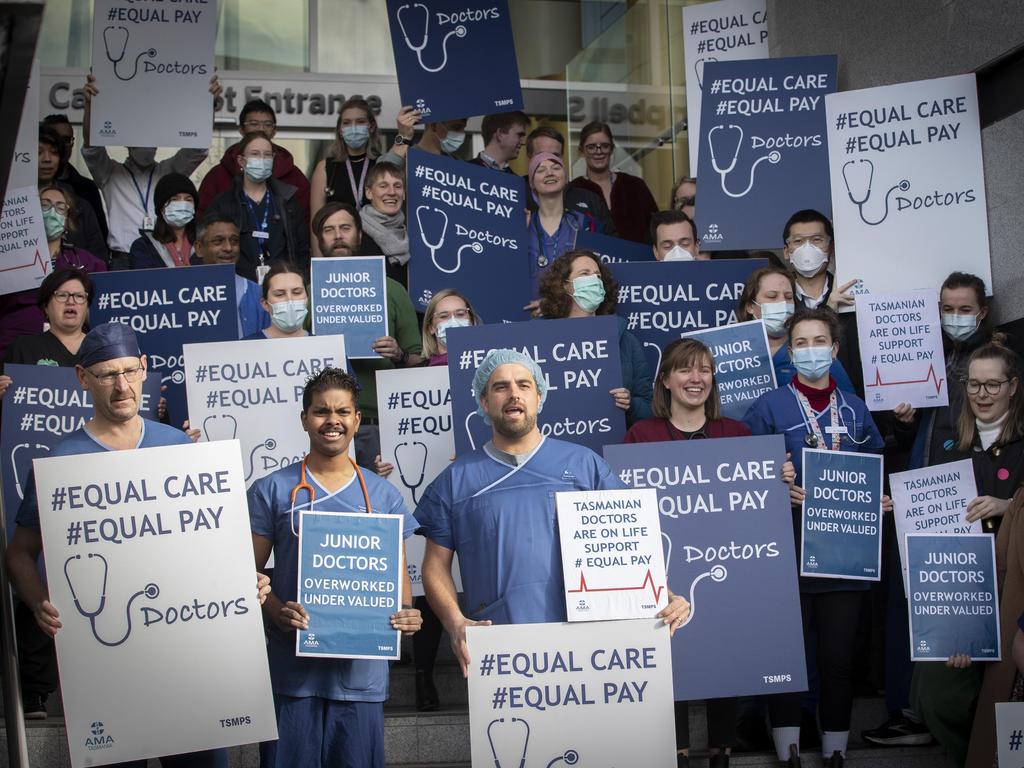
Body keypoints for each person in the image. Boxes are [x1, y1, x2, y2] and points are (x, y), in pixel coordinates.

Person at [5, 323, 267, 762]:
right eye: (107, 374)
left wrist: (245, 578)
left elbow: (209, 545)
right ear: (82, 378)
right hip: (109, 671)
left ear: (145, 369)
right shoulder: (61, 463)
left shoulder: (178, 445)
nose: (122, 385)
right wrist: (38, 604)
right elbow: (18, 555)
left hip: (189, 661)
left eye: (129, 371)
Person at [416, 349, 690, 676]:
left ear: (540, 396)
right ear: (484, 402)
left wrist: (666, 594)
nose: (513, 393)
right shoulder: (457, 479)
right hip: (500, 644)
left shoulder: (584, 466)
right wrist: (454, 620)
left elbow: (629, 546)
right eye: (500, 387)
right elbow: (434, 565)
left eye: (524, 384)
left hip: (591, 643)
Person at [625, 338, 796, 768]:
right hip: (662, 565)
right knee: (670, 649)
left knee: (724, 639)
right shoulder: (640, 436)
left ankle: (722, 750)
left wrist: (777, 476)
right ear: (665, 380)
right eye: (684, 370)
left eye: (703, 370)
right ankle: (678, 751)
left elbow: (757, 500)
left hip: (726, 562)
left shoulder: (737, 434)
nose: (695, 378)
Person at [248, 367, 421, 767]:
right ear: (305, 418)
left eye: (343, 412)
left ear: (357, 419)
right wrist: (277, 611)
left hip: (359, 677)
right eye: (321, 411)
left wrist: (409, 616)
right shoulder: (272, 490)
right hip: (293, 675)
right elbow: (246, 576)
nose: (332, 421)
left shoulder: (383, 495)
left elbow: (400, 594)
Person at [743, 308, 889, 768]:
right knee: (788, 655)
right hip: (785, 552)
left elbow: (875, 469)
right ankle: (787, 750)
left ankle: (835, 751)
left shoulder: (856, 408)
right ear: (789, 350)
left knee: (838, 660)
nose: (811, 351)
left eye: (819, 341)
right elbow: (743, 475)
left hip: (844, 556)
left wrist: (877, 499)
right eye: (801, 343)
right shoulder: (769, 406)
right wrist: (775, 481)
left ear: (835, 349)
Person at [863, 271, 1000, 749]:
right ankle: (908, 710)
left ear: (982, 311)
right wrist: (903, 421)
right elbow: (912, 440)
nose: (955, 317)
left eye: (964, 309)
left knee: (950, 607)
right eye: (947, 308)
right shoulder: (927, 354)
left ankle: (942, 713)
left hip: (965, 503)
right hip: (918, 496)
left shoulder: (994, 363)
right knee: (907, 605)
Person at [908, 342, 1024, 768]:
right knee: (936, 694)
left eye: (993, 384)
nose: (983, 393)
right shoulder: (949, 444)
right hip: (959, 594)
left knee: (1009, 695)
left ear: (1013, 386)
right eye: (974, 383)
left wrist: (1009, 505)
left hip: (1015, 593)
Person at [408, 288, 482, 710]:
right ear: (431, 329)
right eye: (443, 316)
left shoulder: (492, 373)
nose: (452, 321)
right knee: (429, 578)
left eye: (460, 313)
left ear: (472, 319)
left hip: (476, 483)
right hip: (429, 485)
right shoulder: (413, 374)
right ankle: (422, 676)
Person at [311, 202, 423, 467]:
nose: (338, 235)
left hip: (379, 424)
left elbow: (419, 361)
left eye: (345, 227)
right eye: (329, 229)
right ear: (319, 239)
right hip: (323, 427)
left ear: (360, 235)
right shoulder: (306, 295)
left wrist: (399, 354)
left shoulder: (393, 290)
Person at [81, 74, 209, 268]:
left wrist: (205, 100)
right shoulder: (110, 173)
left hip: (162, 257)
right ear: (126, 141)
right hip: (121, 260)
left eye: (151, 137)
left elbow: (198, 149)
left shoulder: (169, 171)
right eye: (139, 137)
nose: (146, 144)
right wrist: (91, 107)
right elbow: (92, 148)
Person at [537, 249, 653, 425]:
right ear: (565, 285)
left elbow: (649, 407)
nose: (594, 280)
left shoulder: (626, 341)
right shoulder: (538, 337)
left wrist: (631, 404)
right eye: (585, 274)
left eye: (598, 276)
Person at [0, 186, 106, 355]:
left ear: (67, 220)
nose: (52, 212)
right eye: (45, 205)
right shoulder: (9, 259)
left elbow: (103, 310)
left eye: (60, 207)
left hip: (69, 351)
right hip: (14, 350)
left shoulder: (86, 262)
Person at [735, 266, 856, 394]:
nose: (782, 302)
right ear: (750, 307)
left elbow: (850, 405)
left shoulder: (814, 350)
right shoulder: (734, 353)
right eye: (772, 296)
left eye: (788, 297)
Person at [206, 133, 309, 281]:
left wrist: (300, 280)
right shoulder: (223, 203)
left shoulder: (288, 200)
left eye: (267, 155)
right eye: (255, 154)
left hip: (282, 285)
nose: (262, 159)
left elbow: (301, 249)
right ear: (241, 161)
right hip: (237, 284)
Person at [780, 210, 862, 394]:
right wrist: (829, 311)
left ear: (831, 247)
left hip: (849, 404)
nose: (807, 248)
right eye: (798, 241)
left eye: (816, 240)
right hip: (792, 407)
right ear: (786, 251)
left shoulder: (854, 296)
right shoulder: (778, 300)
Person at [198, 98, 310, 223]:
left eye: (267, 124)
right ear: (241, 129)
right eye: (253, 124)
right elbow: (203, 220)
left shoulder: (293, 176)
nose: (261, 129)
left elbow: (305, 221)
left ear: (274, 131)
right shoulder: (218, 175)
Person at [570, 121, 658, 244]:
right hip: (591, 262)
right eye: (591, 147)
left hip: (637, 260)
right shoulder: (573, 190)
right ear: (581, 151)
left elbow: (656, 228)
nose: (598, 151)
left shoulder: (635, 186)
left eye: (605, 146)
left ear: (611, 149)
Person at [527, 152, 597, 298]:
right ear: (532, 183)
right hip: (528, 314)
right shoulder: (521, 225)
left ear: (565, 178)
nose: (549, 173)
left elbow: (595, 275)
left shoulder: (585, 223)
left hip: (573, 313)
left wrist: (550, 305)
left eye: (556, 168)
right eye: (540, 170)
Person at [524, 126, 614, 235]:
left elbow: (611, 246)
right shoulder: (514, 199)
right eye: (541, 155)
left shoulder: (590, 201)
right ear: (529, 159)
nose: (548, 164)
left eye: (555, 156)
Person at [37, 125, 107, 261]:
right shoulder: (12, 203)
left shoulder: (80, 206)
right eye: (38, 152)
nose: (47, 159)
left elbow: (99, 259)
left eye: (54, 152)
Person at [192, 213, 268, 339]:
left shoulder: (258, 294)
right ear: (199, 248)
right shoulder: (184, 295)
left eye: (234, 241)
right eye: (218, 241)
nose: (228, 248)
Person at [310, 97, 383, 218]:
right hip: (337, 236)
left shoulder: (382, 164)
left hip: (376, 236)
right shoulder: (325, 167)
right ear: (340, 130)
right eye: (346, 123)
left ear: (371, 127)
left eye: (360, 121)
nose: (353, 128)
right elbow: (316, 221)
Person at [128, 173, 197, 269]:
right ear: (161, 208)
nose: (183, 204)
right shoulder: (143, 247)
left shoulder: (204, 243)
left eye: (188, 199)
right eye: (175, 199)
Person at [358, 162, 410, 284]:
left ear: (403, 194)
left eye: (397, 186)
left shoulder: (413, 233)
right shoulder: (355, 234)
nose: (392, 192)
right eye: (383, 186)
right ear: (369, 193)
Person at [244, 261, 309, 340]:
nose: (290, 300)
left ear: (307, 299)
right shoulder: (246, 347)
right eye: (279, 294)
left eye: (296, 292)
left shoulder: (322, 347)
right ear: (265, 304)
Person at [379, 117, 467, 167]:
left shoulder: (458, 164)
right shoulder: (402, 160)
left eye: (463, 128)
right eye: (456, 127)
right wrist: (404, 135)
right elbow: (383, 180)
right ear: (434, 125)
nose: (461, 133)